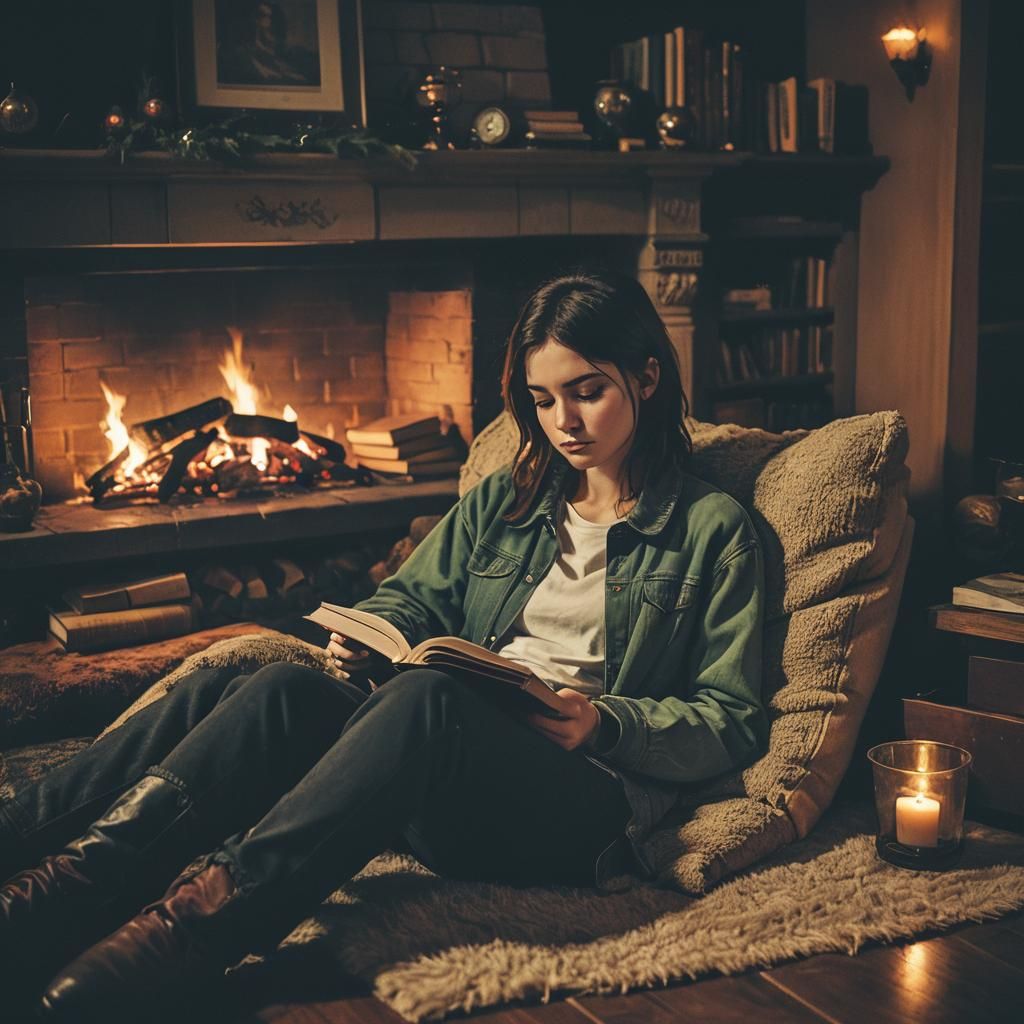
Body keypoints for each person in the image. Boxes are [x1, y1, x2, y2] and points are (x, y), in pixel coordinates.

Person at [0, 270, 766, 1019]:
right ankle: (64, 887)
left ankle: (191, 932)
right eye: (542, 400)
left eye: (586, 391)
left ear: (647, 377)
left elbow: (733, 717)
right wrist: (375, 637)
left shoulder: (712, 529)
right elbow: (409, 597)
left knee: (427, 698)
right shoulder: (510, 497)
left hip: (581, 803)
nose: (563, 420)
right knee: (283, 688)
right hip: (438, 770)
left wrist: (604, 722)